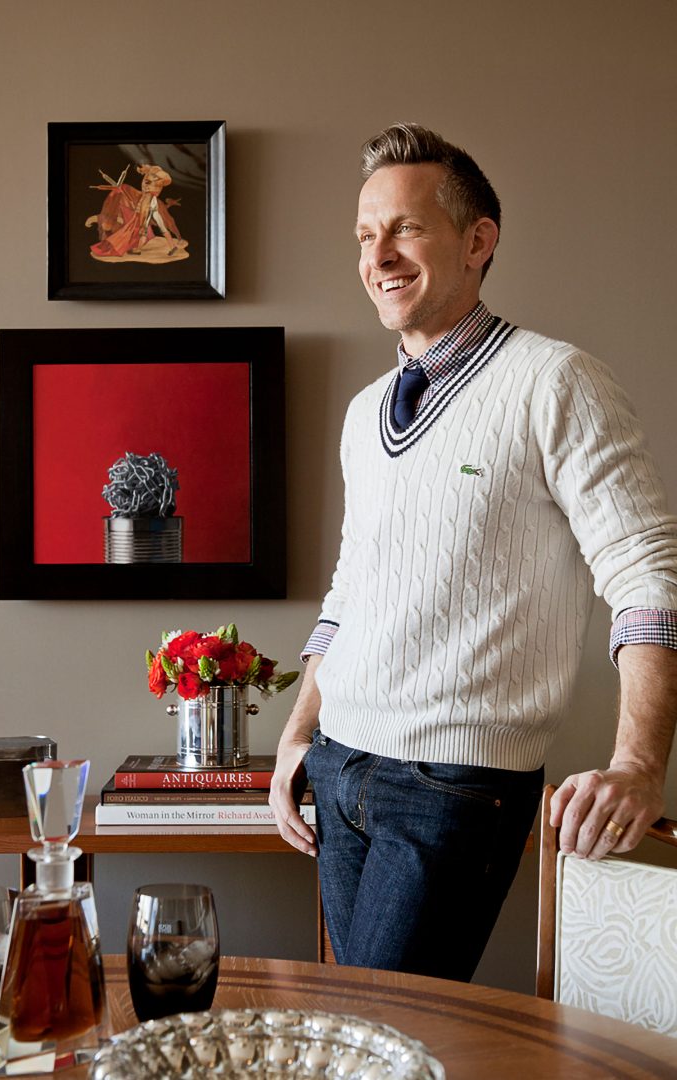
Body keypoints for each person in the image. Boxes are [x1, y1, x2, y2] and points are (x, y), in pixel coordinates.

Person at [269, 123, 677, 982]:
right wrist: (297, 734)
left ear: (478, 240)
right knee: (364, 1034)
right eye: (364, 235)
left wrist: (639, 766)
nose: (378, 255)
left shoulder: (556, 382)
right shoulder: (365, 412)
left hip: (453, 783)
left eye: (405, 229)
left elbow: (646, 574)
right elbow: (352, 588)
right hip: (337, 769)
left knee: (384, 1034)